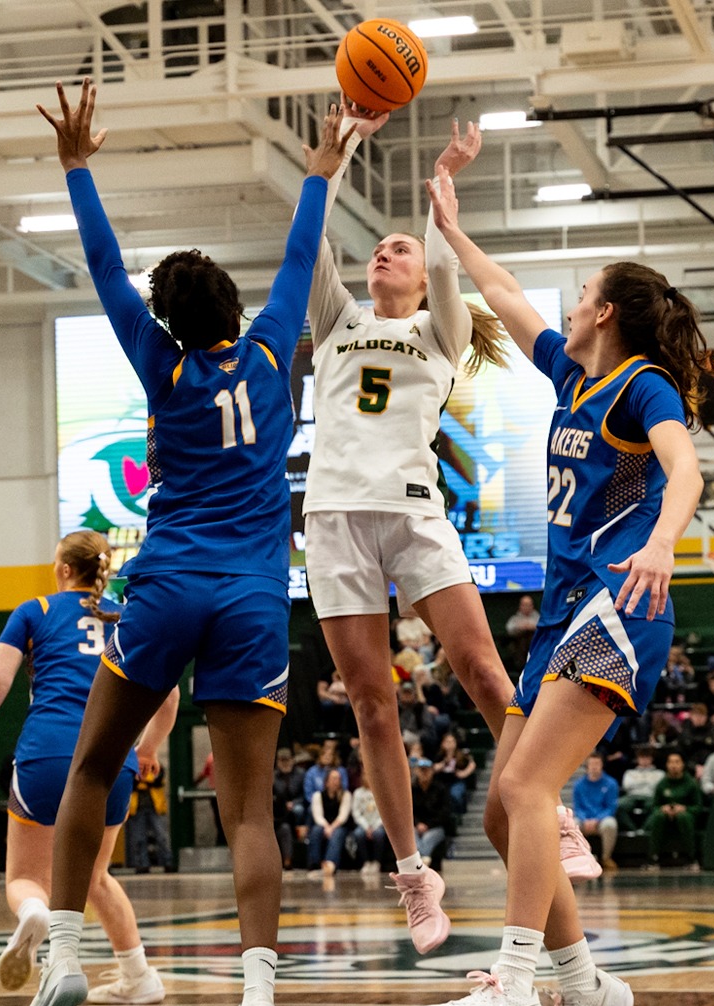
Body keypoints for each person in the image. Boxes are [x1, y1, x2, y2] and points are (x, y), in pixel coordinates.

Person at [20, 84, 345, 1006]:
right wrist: (321, 171)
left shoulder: (159, 366)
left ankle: (69, 955)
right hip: (252, 596)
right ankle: (256, 1000)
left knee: (88, 770)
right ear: (237, 312)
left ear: (164, 321)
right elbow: (299, 258)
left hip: (165, 583)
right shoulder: (274, 349)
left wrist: (77, 162)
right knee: (251, 814)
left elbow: (105, 265)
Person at [415, 161, 706, 1006]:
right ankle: (587, 990)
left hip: (620, 603)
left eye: (582, 295)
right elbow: (502, 296)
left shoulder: (643, 386)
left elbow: (688, 469)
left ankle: (514, 987)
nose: (571, 305)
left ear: (608, 313)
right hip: (563, 613)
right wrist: (452, 231)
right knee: (508, 815)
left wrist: (662, 540)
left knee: (531, 793)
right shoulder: (570, 378)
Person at [298, 106, 517, 955]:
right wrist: (338, 148)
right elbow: (310, 231)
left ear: (423, 275)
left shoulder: (440, 329)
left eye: (401, 248)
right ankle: (413, 874)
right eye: (378, 247)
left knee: (481, 668)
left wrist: (444, 187)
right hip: (333, 519)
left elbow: (443, 258)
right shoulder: (338, 319)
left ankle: (555, 812)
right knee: (371, 704)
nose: (384, 252)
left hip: (416, 512)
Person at [0, 530, 178, 1003]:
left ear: (65, 568)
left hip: (47, 751)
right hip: (113, 755)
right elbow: (169, 695)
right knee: (95, 876)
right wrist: (148, 750)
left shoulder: (36, 611)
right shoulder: (126, 618)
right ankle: (139, 978)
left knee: (25, 877)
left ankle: (33, 911)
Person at [643, 750, 702, 865]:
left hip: (685, 816)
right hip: (666, 817)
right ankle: (653, 857)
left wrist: (685, 808)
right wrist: (663, 808)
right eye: (670, 762)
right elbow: (654, 806)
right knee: (658, 816)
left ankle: (691, 857)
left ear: (682, 764)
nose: (673, 765)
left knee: (683, 817)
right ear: (667, 765)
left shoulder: (691, 784)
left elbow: (698, 807)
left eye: (677, 762)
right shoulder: (662, 784)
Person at [568, 753, 620, 869]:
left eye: (597, 764)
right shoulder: (578, 785)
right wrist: (584, 819)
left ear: (602, 765)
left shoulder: (611, 783)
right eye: (591, 764)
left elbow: (611, 807)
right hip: (584, 819)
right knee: (573, 824)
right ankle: (579, 858)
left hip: (601, 819)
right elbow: (577, 807)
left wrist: (597, 820)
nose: (594, 767)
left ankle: (606, 858)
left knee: (610, 824)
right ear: (587, 766)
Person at [125, 754, 171, 874]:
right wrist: (143, 781)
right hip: (136, 808)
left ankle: (167, 862)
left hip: (156, 807)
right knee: (138, 838)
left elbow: (157, 779)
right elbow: (132, 783)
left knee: (162, 836)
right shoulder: (131, 768)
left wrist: (142, 780)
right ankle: (141, 864)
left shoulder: (155, 765)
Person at [305, 766, 354, 880]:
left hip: (340, 826)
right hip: (324, 825)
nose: (336, 781)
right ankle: (315, 864)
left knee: (337, 833)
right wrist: (327, 827)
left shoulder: (346, 795)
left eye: (338, 779)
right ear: (326, 781)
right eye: (333, 778)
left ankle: (330, 865)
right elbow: (318, 816)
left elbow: (343, 816)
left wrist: (332, 828)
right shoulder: (318, 796)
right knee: (316, 830)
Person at [271, 748, 307, 870]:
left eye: (287, 760)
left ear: (292, 760)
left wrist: (293, 803)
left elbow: (305, 795)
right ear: (277, 762)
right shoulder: (273, 777)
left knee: (298, 810)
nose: (285, 763)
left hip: (296, 804)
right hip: (279, 810)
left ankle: (299, 830)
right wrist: (283, 804)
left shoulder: (300, 774)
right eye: (282, 761)